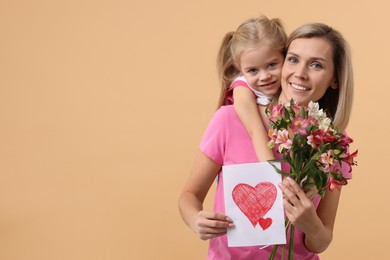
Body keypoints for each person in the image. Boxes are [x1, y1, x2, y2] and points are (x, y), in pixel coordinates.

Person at [178, 21, 354, 260]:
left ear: (335, 79)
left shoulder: (333, 145)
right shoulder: (229, 120)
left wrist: (311, 224)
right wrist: (195, 219)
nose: (300, 73)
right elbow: (189, 195)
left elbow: (322, 241)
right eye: (293, 59)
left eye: (316, 65)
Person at [217, 15, 286, 163]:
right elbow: (256, 131)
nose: (265, 76)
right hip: (249, 163)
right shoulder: (242, 88)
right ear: (240, 69)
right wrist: (273, 173)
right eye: (253, 70)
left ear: (284, 56)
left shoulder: (290, 83)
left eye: (272, 65)